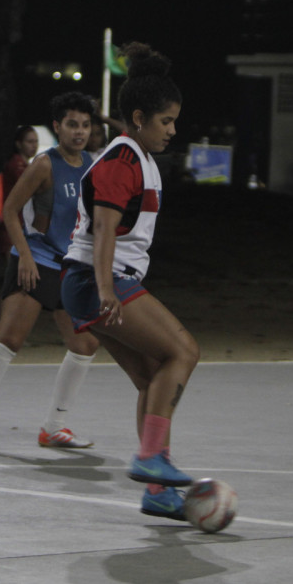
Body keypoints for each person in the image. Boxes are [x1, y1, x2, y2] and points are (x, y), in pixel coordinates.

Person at [59, 42, 199, 522]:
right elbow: (102, 227)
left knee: (150, 379)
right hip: (97, 279)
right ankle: (151, 458)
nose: (173, 130)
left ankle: (157, 489)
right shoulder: (123, 159)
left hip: (89, 281)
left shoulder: (137, 157)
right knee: (183, 353)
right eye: (166, 121)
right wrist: (104, 290)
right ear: (138, 117)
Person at [0, 92, 101, 451]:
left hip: (70, 266)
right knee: (9, 340)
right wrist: (23, 255)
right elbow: (10, 210)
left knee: (85, 345)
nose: (79, 131)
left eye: (85, 125)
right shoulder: (43, 164)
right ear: (57, 127)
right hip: (36, 260)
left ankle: (53, 428)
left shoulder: (91, 164)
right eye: (72, 124)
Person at [0, 125, 40, 254]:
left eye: (36, 141)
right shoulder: (17, 166)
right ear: (19, 144)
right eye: (29, 142)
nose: (34, 145)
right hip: (15, 225)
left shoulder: (27, 165)